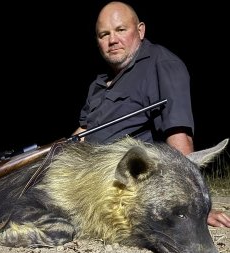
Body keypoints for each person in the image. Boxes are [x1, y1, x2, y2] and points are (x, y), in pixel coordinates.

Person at [73, 1, 230, 228]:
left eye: (120, 30)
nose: (112, 40)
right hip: (84, 175)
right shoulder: (99, 83)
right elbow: (83, 132)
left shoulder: (161, 64)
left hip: (123, 184)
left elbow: (180, 138)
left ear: (140, 30)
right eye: (103, 34)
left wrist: (191, 206)